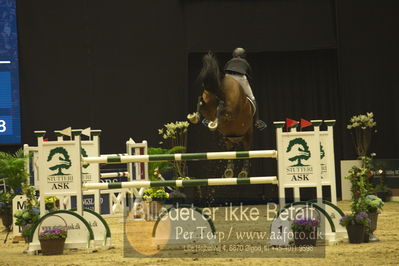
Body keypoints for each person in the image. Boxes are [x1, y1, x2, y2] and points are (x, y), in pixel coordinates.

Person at [224, 47, 266, 130]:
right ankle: (257, 121)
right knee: (252, 98)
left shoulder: (229, 61)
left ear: (234, 54)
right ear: (243, 55)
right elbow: (250, 74)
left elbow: (224, 70)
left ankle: (213, 118)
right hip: (241, 78)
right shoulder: (245, 62)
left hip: (228, 78)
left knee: (221, 98)